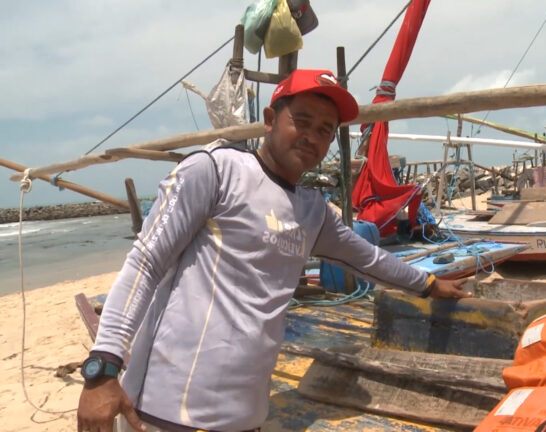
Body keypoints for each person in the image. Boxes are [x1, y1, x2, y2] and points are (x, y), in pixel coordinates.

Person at [77, 69, 471, 432]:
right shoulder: (215, 172)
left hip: (247, 417)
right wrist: (102, 370)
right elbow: (145, 263)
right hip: (166, 412)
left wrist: (429, 284)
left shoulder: (312, 211)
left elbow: (367, 259)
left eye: (325, 129)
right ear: (270, 119)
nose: (312, 137)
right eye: (301, 121)